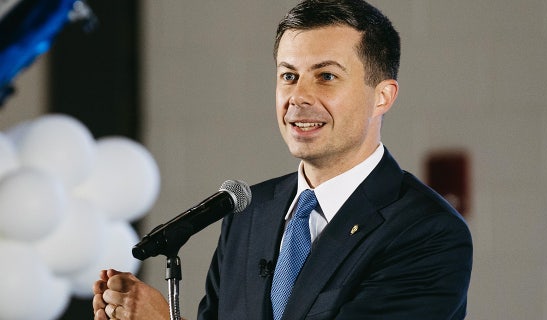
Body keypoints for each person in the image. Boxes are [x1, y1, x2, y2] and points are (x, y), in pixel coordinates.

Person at [92, 0, 473, 319]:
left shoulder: (429, 233)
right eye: (288, 76)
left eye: (325, 76)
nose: (299, 97)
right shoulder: (247, 214)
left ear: (383, 96)